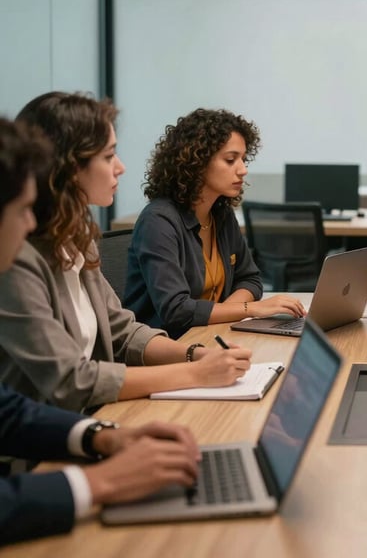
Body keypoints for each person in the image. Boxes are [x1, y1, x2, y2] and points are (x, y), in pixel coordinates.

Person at [0, 116, 200, 546]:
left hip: (72, 433)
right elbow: (70, 381)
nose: (30, 225)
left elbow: (8, 412)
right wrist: (101, 483)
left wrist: (104, 437)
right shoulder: (19, 267)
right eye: (20, 211)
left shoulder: (77, 238)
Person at [0, 92, 252, 413]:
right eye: (108, 157)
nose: (120, 167)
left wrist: (193, 354)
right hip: (42, 441)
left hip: (93, 414)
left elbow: (121, 331)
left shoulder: (76, 237)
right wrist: (193, 373)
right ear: (68, 167)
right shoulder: (15, 259)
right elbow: (70, 382)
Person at [124, 108, 306, 339]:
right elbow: (176, 310)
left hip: (211, 337)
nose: (243, 169)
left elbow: (249, 279)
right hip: (168, 347)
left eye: (243, 158)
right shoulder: (158, 221)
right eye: (231, 160)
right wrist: (250, 309)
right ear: (197, 162)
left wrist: (231, 313)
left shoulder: (220, 213)